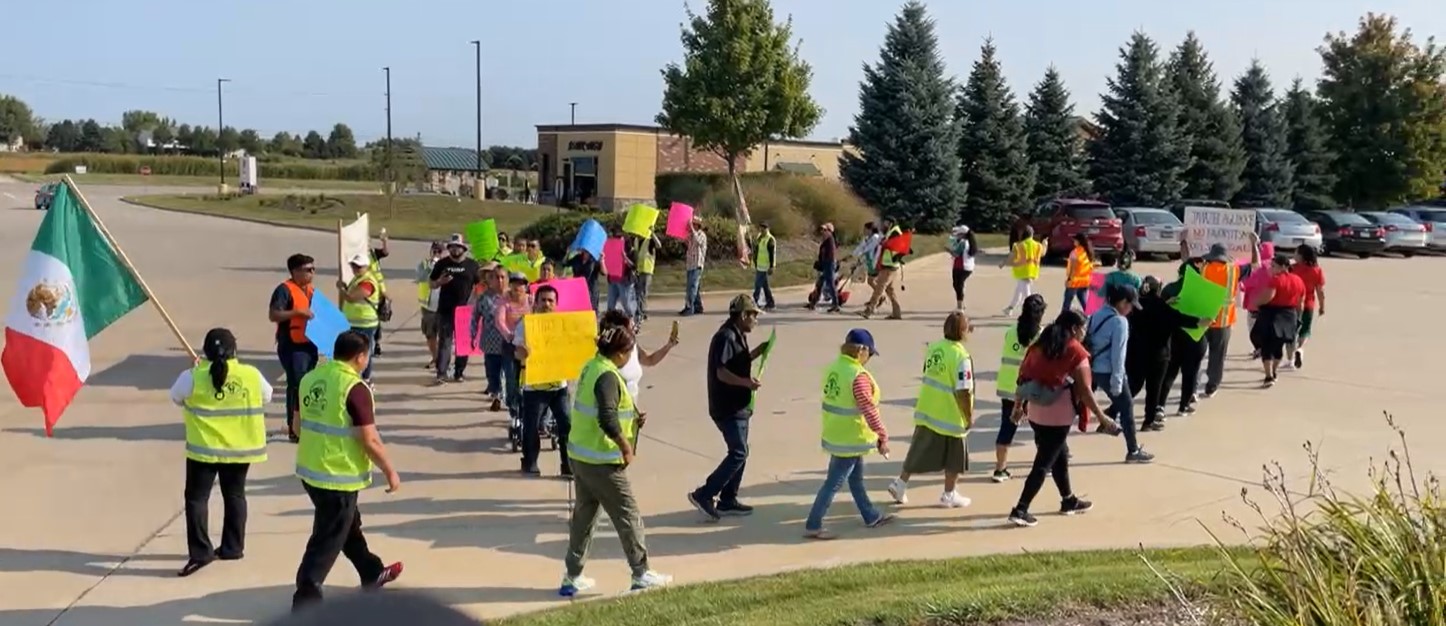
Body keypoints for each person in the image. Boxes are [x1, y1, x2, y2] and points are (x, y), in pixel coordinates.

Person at [292, 331, 402, 611]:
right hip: (338, 477)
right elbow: (370, 439)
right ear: (360, 357)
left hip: (311, 472)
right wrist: (390, 470)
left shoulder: (309, 379)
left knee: (347, 526)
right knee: (327, 540)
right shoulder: (355, 388)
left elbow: (296, 427)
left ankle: (371, 572)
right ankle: (306, 601)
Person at [558, 325, 672, 596]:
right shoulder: (607, 376)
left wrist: (633, 419)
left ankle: (572, 575)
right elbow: (607, 417)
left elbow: (603, 408)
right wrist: (625, 446)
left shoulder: (592, 366)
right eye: (629, 351)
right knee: (627, 514)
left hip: (581, 456)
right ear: (620, 353)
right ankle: (641, 572)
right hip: (601, 460)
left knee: (585, 516)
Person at [171, 328, 271, 577]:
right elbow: (267, 396)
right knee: (235, 495)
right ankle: (232, 547)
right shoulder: (251, 375)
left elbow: (175, 397)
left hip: (203, 451)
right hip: (240, 449)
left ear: (205, 351)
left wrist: (197, 372)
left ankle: (201, 552)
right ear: (234, 350)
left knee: (197, 499)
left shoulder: (192, 376)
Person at [1006, 311, 1117, 527]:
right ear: (1075, 329)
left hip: (1036, 412)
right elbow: (1085, 391)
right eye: (1083, 328)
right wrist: (1102, 418)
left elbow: (1023, 377)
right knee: (1043, 463)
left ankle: (1068, 500)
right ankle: (1020, 509)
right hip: (1058, 417)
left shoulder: (1039, 345)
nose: (1085, 332)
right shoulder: (1076, 352)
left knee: (1060, 454)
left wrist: (1018, 407)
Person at [804, 329, 895, 539]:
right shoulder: (858, 376)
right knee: (833, 483)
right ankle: (813, 524)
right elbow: (868, 408)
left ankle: (870, 515)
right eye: (869, 353)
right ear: (861, 351)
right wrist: (882, 434)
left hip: (836, 433)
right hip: (850, 436)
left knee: (855, 480)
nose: (869, 359)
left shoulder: (835, 368)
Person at [687, 295, 770, 521]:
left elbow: (736, 362)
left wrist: (755, 353)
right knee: (738, 452)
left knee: (742, 452)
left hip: (740, 405)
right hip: (727, 406)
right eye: (754, 315)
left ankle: (727, 499)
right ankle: (704, 494)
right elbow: (721, 372)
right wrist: (747, 383)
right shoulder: (725, 336)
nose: (756, 320)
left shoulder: (738, 334)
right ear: (743, 315)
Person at [886, 312, 975, 507]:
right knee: (955, 455)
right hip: (950, 414)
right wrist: (968, 416)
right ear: (962, 331)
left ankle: (900, 482)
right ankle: (949, 493)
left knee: (918, 448)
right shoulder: (962, 357)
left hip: (927, 407)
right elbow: (964, 391)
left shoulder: (934, 348)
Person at [1127, 277, 1207, 431]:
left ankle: (1112, 410)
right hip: (1159, 355)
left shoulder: (1136, 306)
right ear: (1158, 289)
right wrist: (1200, 321)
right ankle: (1148, 421)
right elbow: (1180, 319)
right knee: (1153, 389)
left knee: (1134, 385)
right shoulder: (1164, 309)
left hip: (1137, 353)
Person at [1088, 284, 1153, 463]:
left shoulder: (1097, 313)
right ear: (1123, 302)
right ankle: (1133, 450)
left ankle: (1105, 423)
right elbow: (1118, 355)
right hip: (1109, 371)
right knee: (1127, 407)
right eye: (1131, 305)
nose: (1131, 309)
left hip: (1095, 369)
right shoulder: (1120, 322)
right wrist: (1117, 382)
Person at [1192, 235, 1261, 398]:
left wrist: (1183, 242)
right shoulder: (1234, 270)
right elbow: (1256, 265)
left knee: (1195, 355)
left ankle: (1192, 388)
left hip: (1201, 318)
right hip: (1223, 320)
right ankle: (1212, 386)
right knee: (1218, 356)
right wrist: (1254, 244)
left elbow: (1184, 259)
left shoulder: (1202, 267)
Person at [515, 284, 571, 477]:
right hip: (534, 386)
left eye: (550, 300)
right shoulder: (526, 324)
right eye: (543, 300)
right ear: (536, 302)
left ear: (556, 304)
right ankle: (530, 462)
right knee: (531, 427)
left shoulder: (564, 324)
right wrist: (522, 352)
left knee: (566, 425)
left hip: (559, 385)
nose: (546, 304)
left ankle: (568, 465)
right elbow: (516, 351)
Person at [992, 294, 1046, 482]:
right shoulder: (1041, 335)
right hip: (1030, 388)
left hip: (1008, 385)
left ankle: (1000, 469)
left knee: (1007, 427)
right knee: (1041, 428)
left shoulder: (1011, 330)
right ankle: (1045, 464)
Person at [270, 253, 319, 443]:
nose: (312, 273)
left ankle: (304, 422)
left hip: (309, 345)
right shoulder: (284, 290)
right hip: (292, 346)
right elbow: (274, 314)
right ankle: (293, 427)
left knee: (307, 385)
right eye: (308, 270)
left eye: (314, 269)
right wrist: (296, 312)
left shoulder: (311, 291)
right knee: (296, 385)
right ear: (295, 271)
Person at [429, 234, 481, 385]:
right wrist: (440, 281)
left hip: (465, 311)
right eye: (452, 246)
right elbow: (431, 283)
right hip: (445, 309)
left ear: (463, 248)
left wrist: (475, 301)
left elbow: (479, 286)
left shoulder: (472, 265)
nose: (455, 249)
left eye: (458, 246)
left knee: (463, 344)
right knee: (445, 341)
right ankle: (441, 373)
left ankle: (459, 372)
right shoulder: (442, 264)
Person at [1160, 257, 1208, 416]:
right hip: (1195, 337)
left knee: (1170, 372)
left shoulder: (1169, 289)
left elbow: (1159, 312)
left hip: (1173, 337)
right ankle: (1183, 406)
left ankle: (1160, 405)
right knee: (1191, 373)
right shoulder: (1203, 290)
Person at [1250, 256, 1305, 388]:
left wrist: (1256, 303)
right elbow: (1300, 302)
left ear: (1283, 267)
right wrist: (1298, 317)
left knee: (1266, 345)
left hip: (1272, 314)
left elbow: (1269, 296)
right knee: (1278, 346)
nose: (1271, 268)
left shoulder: (1276, 280)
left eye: (1273, 266)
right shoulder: (1298, 280)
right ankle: (1274, 371)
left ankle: (1269, 375)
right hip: (1290, 314)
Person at [337, 253, 383, 383]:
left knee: (363, 353)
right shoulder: (358, 278)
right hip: (356, 322)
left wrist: (341, 289)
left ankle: (366, 379)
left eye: (358, 266)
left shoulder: (367, 282)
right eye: (353, 266)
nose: (355, 269)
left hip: (365, 323)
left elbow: (352, 298)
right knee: (354, 351)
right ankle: (358, 376)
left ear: (366, 267)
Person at [473, 265, 512, 412]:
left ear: (507, 279)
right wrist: (472, 335)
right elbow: (475, 317)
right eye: (496, 277)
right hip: (490, 343)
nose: (500, 281)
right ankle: (496, 394)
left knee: (509, 373)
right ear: (491, 280)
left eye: (503, 277)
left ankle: (507, 397)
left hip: (510, 343)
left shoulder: (514, 297)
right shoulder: (484, 298)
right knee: (492, 373)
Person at [859, 219, 904, 320]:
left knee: (879, 288)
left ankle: (869, 310)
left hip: (889, 266)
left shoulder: (895, 233)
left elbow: (893, 247)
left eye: (886, 223)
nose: (884, 225)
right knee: (890, 291)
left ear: (891, 223)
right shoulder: (891, 232)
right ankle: (897, 313)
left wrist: (884, 244)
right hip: (889, 265)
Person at [501, 273, 532, 419]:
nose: (517, 287)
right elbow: (499, 321)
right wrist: (508, 334)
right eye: (514, 283)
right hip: (510, 345)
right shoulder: (504, 302)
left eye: (520, 284)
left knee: (529, 380)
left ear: (526, 286)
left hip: (529, 345)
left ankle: (527, 406)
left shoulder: (531, 301)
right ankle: (513, 407)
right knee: (511, 379)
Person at [1289, 244, 1325, 369]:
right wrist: (1322, 306)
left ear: (1301, 256)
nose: (1294, 255)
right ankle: (1300, 348)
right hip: (1308, 304)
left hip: (1292, 304)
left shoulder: (1292, 268)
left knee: (1292, 331)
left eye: (1296, 253)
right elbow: (1320, 291)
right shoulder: (1317, 270)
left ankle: (1291, 357)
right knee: (1305, 330)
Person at [1003, 226, 1044, 316]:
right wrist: (1045, 244)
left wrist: (1004, 263)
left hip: (1022, 272)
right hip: (1032, 272)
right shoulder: (1038, 245)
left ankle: (1032, 311)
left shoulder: (1018, 245)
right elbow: (1043, 253)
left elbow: (1012, 256)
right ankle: (1010, 307)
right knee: (1019, 291)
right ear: (1032, 234)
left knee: (1027, 295)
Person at [415, 242, 444, 370]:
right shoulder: (424, 264)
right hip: (428, 307)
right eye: (435, 251)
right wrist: (431, 267)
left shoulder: (447, 265)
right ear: (431, 251)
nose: (436, 253)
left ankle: (443, 361)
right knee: (430, 334)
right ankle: (435, 357)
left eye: (439, 251)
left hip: (443, 306)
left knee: (444, 336)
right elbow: (421, 278)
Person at [366, 231, 390, 356]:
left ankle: (377, 343)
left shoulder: (373, 253)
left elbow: (385, 252)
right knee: (370, 319)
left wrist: (384, 241)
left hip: (378, 291)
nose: (367, 243)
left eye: (368, 241)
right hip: (365, 291)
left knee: (378, 318)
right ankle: (368, 344)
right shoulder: (356, 256)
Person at [808, 223, 840, 312]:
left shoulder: (830, 241)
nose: (823, 232)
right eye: (822, 230)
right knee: (820, 283)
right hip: (826, 264)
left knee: (830, 284)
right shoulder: (826, 241)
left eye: (825, 230)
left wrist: (823, 264)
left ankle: (835, 304)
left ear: (830, 232)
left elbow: (829, 256)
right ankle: (813, 303)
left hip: (829, 264)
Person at [605, 227, 635, 317]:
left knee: (626, 304)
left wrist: (624, 257)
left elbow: (633, 266)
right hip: (613, 280)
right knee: (610, 304)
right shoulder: (611, 248)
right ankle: (611, 321)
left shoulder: (631, 251)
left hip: (624, 281)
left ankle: (632, 320)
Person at [680, 218, 708, 315]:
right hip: (690, 264)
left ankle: (689, 308)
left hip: (697, 265)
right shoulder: (691, 235)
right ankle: (698, 306)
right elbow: (685, 242)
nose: (693, 226)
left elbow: (698, 241)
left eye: (695, 224)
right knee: (694, 287)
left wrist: (691, 229)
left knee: (692, 287)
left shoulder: (702, 235)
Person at [631, 231, 660, 323]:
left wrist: (652, 233)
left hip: (647, 270)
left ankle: (641, 312)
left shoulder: (649, 240)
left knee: (643, 293)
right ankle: (639, 311)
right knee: (637, 292)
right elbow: (635, 254)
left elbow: (659, 245)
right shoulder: (636, 240)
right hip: (638, 270)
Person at [1063, 234, 1096, 311]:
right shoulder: (1088, 252)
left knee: (1067, 301)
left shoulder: (1075, 252)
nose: (1073, 241)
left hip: (1075, 281)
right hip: (1085, 281)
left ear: (1079, 241)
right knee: (1083, 299)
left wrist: (1069, 279)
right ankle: (1090, 316)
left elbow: (1073, 268)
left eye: (1075, 240)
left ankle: (1063, 318)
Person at [564, 248, 602, 315]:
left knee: (592, 311)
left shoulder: (595, 259)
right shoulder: (577, 258)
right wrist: (568, 253)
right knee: (578, 311)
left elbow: (604, 272)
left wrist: (602, 261)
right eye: (584, 249)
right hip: (578, 289)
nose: (585, 251)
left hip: (591, 290)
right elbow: (564, 263)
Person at [948, 226, 978, 310]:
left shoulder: (963, 242)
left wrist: (948, 250)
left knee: (958, 285)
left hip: (960, 266)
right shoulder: (971, 242)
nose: (957, 236)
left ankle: (960, 306)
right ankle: (961, 303)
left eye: (959, 234)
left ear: (963, 234)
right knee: (959, 285)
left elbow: (956, 254)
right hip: (968, 267)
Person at [752, 222, 777, 310]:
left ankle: (755, 302)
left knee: (758, 284)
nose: (762, 230)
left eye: (764, 228)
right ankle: (770, 302)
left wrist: (772, 266)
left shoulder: (770, 239)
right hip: (759, 265)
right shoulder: (760, 238)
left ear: (768, 229)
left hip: (766, 266)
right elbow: (757, 250)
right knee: (765, 286)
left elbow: (772, 254)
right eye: (761, 228)